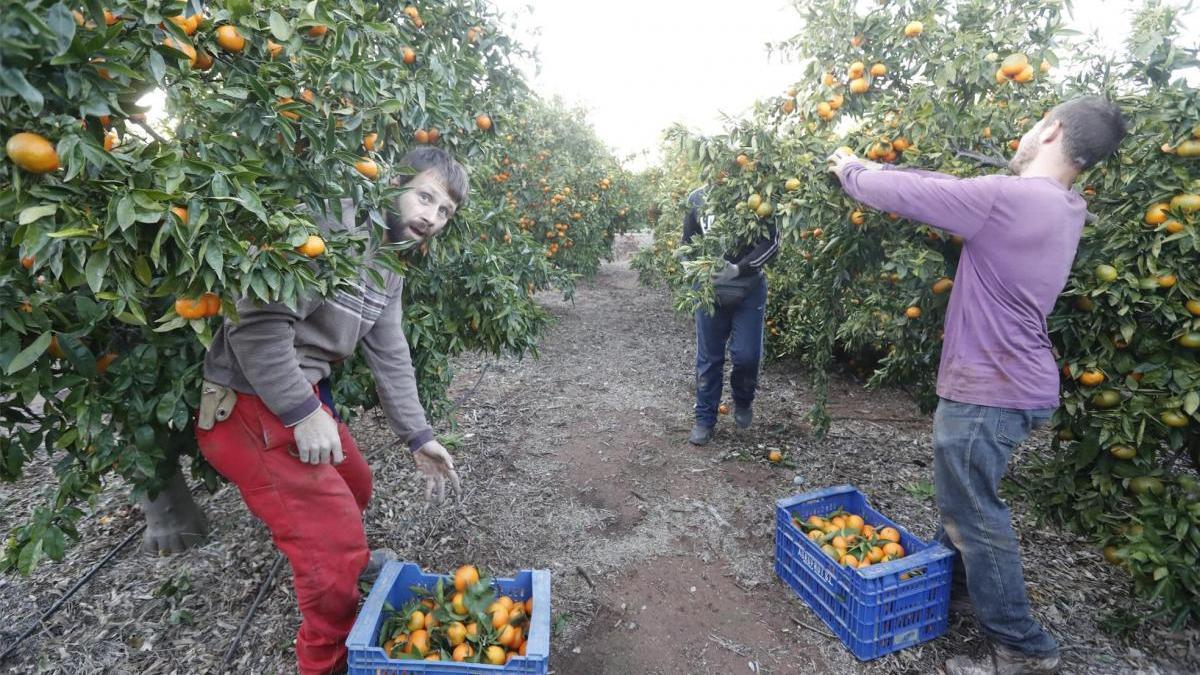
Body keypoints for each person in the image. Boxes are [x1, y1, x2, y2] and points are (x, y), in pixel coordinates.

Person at [828, 96, 1127, 675]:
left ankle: (1021, 646)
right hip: (1014, 384)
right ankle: (960, 593)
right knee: (964, 503)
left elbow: (915, 196)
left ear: (1052, 129)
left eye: (1032, 122)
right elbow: (949, 186)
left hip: (989, 388)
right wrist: (880, 166)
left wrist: (851, 170)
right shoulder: (1062, 204)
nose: (1022, 133)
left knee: (975, 516)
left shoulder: (1009, 199)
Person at [194, 146, 468, 675]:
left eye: (444, 212)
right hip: (250, 404)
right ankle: (326, 658)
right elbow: (253, 326)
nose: (430, 218)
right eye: (425, 196)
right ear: (391, 184)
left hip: (302, 397)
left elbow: (391, 353)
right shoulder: (332, 226)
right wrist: (302, 412)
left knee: (357, 484)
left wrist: (418, 435)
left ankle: (345, 562)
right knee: (331, 554)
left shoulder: (390, 264)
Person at [683, 187, 780, 445]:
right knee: (709, 357)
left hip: (748, 289)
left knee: (747, 355)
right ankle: (704, 420)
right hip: (709, 290)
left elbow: (772, 243)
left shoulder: (756, 194)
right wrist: (694, 272)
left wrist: (739, 269)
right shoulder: (697, 198)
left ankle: (744, 399)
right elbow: (688, 243)